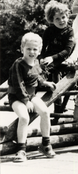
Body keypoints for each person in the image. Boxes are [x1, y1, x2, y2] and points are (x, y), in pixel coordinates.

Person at [7, 33, 57, 162]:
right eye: (28, 48)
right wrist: (25, 100)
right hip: (16, 97)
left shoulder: (36, 63)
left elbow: (37, 77)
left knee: (45, 112)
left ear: (39, 51)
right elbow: (19, 84)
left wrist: (45, 83)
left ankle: (45, 144)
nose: (31, 52)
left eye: (35, 49)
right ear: (22, 48)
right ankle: (21, 149)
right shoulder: (18, 64)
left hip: (31, 95)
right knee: (24, 117)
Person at [40, 0, 74, 113]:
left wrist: (52, 58)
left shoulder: (69, 31)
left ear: (67, 16)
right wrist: (41, 58)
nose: (61, 21)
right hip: (49, 57)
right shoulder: (49, 30)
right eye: (57, 19)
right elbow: (43, 47)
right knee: (34, 67)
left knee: (48, 70)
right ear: (52, 20)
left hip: (61, 58)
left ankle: (56, 102)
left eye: (63, 17)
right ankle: (29, 90)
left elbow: (67, 50)